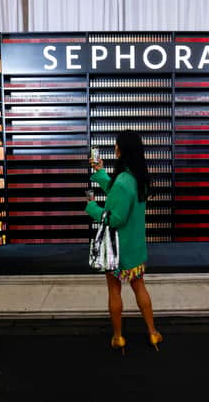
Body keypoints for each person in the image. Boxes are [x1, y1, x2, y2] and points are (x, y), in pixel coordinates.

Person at [85, 130, 162, 354]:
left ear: (123, 150)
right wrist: (99, 172)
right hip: (136, 250)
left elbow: (114, 218)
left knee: (114, 292)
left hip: (116, 251)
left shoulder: (122, 182)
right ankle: (153, 332)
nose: (114, 149)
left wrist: (92, 208)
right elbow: (119, 193)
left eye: (117, 145)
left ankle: (118, 337)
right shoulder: (138, 178)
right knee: (140, 289)